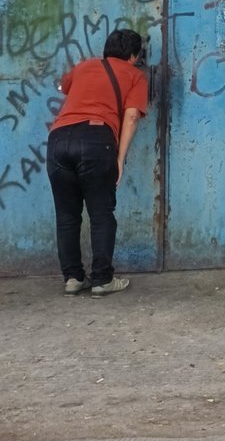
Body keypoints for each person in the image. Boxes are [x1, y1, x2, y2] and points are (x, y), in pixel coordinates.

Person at [48, 28, 150, 297]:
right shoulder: (134, 75)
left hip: (58, 139)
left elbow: (64, 85)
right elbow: (130, 117)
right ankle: (102, 279)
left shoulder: (85, 66)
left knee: (67, 215)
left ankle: (72, 278)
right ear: (133, 55)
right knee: (101, 214)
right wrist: (119, 157)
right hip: (96, 139)